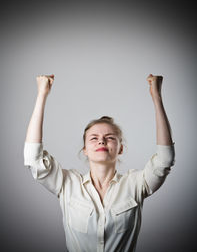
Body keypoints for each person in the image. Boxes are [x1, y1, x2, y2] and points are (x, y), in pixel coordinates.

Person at [24, 74, 175, 252]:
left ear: (120, 149)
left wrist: (156, 96)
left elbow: (165, 159)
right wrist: (42, 94)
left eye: (110, 138)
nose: (102, 141)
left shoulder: (135, 184)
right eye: (94, 138)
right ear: (85, 150)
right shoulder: (67, 183)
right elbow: (34, 159)